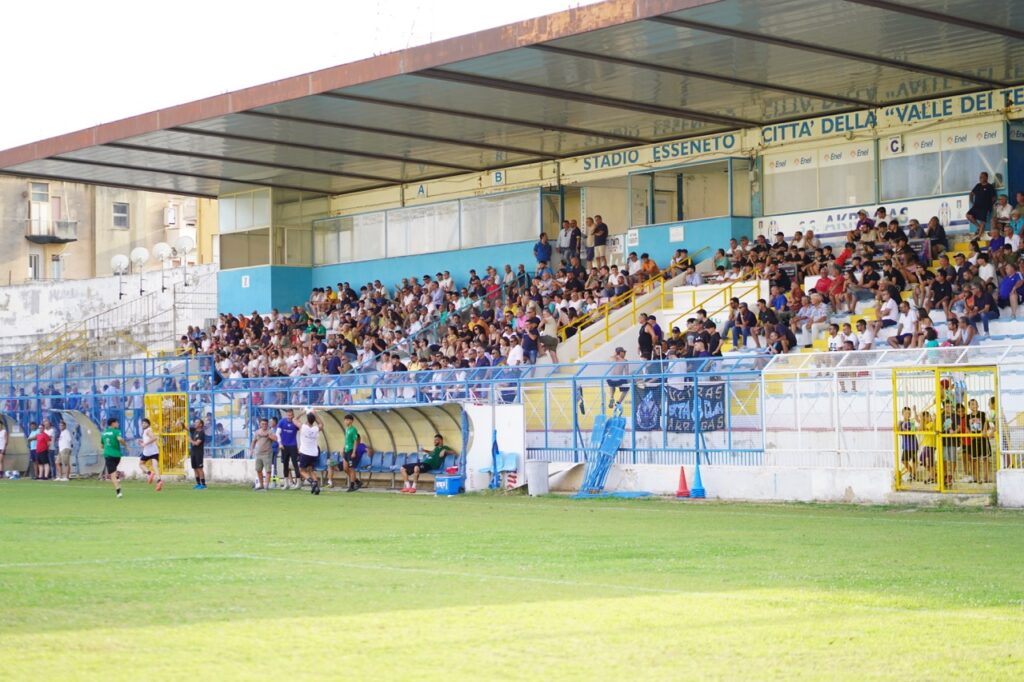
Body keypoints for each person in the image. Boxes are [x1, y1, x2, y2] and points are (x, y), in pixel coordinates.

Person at [293, 408, 324, 495]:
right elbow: (321, 424)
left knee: (302, 471)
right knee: (311, 470)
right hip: (314, 453)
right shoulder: (315, 429)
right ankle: (317, 487)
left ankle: (312, 482)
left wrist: (302, 412)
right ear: (314, 421)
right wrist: (315, 414)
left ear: (307, 419)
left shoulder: (303, 427)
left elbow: (294, 419)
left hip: (305, 452)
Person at [101, 417, 128, 498]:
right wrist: (125, 445)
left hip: (108, 455)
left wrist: (107, 448)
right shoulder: (116, 431)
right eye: (117, 422)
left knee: (112, 474)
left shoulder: (104, 433)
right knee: (114, 471)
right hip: (117, 456)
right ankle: (117, 477)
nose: (118, 424)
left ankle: (118, 492)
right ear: (113, 423)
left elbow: (102, 445)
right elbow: (120, 439)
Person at [250, 417, 277, 491]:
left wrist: (270, 437)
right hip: (258, 453)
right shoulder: (257, 432)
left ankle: (266, 486)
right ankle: (261, 485)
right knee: (258, 469)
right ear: (260, 424)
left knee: (268, 470)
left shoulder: (270, 432)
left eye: (265, 424)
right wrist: (251, 450)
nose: (264, 425)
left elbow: (276, 439)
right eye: (263, 424)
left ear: (267, 424)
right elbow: (253, 441)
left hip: (267, 453)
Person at [277, 409, 300, 489]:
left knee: (295, 464)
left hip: (293, 446)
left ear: (293, 415)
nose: (290, 417)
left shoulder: (295, 422)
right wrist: (280, 443)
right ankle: (286, 483)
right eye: (288, 415)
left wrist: (299, 446)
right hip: (284, 446)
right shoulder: (282, 422)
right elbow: (277, 433)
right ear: (286, 415)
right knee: (285, 464)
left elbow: (301, 430)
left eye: (291, 415)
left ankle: (298, 483)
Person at [138, 418, 163, 491]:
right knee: (155, 466)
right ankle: (159, 481)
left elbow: (154, 438)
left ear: (148, 424)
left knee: (141, 464)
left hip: (148, 452)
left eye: (145, 423)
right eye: (142, 423)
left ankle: (149, 473)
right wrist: (142, 441)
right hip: (154, 451)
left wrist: (145, 444)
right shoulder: (147, 430)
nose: (143, 424)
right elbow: (150, 439)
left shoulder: (148, 430)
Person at [341, 413, 364, 492]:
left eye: (347, 420)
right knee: (345, 468)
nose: (345, 421)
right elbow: (346, 440)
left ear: (351, 421)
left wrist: (354, 452)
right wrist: (343, 449)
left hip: (351, 451)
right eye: (345, 420)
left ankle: (352, 485)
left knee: (351, 469)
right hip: (346, 450)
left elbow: (355, 441)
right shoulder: (346, 429)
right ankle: (357, 481)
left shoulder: (353, 429)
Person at [189, 418, 207, 489]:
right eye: (195, 422)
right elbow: (185, 427)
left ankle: (203, 484)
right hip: (193, 452)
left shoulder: (201, 433)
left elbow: (197, 443)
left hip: (199, 453)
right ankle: (198, 483)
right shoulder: (194, 430)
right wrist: (180, 423)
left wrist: (190, 440)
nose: (195, 423)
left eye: (197, 422)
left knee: (199, 468)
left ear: (200, 424)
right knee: (195, 468)